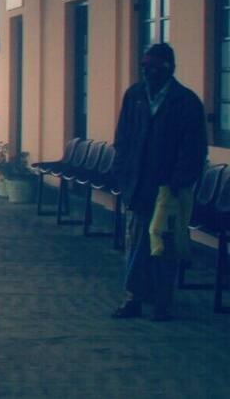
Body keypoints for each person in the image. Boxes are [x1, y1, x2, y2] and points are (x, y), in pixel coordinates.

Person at [111, 42, 207, 322]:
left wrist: (178, 183)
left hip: (168, 189)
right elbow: (123, 138)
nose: (148, 72)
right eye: (145, 66)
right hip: (137, 185)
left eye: (154, 67)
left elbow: (194, 149)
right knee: (135, 244)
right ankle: (134, 298)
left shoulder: (186, 102)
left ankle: (163, 302)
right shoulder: (135, 96)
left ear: (168, 68)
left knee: (164, 247)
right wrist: (123, 172)